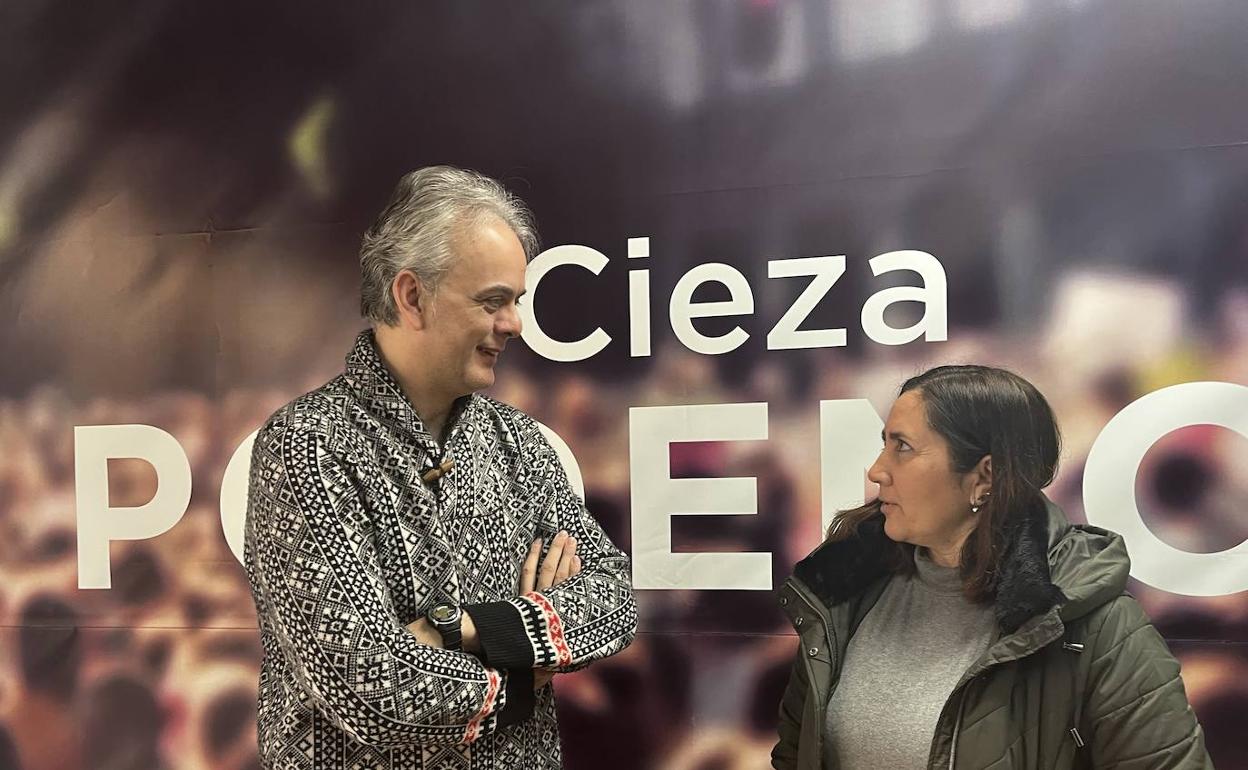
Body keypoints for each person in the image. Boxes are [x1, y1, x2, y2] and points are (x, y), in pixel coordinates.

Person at [244, 166, 638, 769]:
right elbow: (372, 690)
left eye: (516, 302)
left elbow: (614, 598)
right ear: (411, 297)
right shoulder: (307, 446)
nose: (515, 325)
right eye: (493, 301)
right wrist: (524, 677)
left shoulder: (520, 443)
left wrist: (461, 628)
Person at [771, 365, 1212, 769]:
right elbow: (795, 754)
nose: (876, 471)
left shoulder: (1096, 625)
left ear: (984, 476)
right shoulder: (842, 594)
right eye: (883, 444)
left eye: (902, 447)